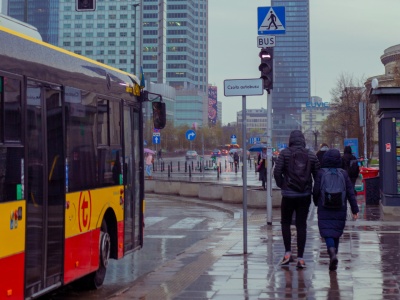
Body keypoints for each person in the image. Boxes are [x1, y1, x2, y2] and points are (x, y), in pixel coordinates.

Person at [273, 130, 320, 269]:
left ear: (291, 140)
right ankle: (300, 258)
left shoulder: (284, 153)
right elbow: (318, 175)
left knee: (285, 223)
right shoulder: (310, 155)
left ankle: (287, 253)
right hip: (304, 196)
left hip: (288, 195)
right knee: (301, 225)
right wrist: (313, 192)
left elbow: (277, 172)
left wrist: (282, 185)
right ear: (303, 140)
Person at [313, 148, 359, 271]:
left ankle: (331, 252)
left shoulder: (321, 173)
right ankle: (334, 254)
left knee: (327, 232)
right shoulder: (343, 173)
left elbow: (316, 190)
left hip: (324, 206)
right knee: (336, 232)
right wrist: (355, 209)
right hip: (340, 206)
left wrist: (316, 202)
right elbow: (350, 192)